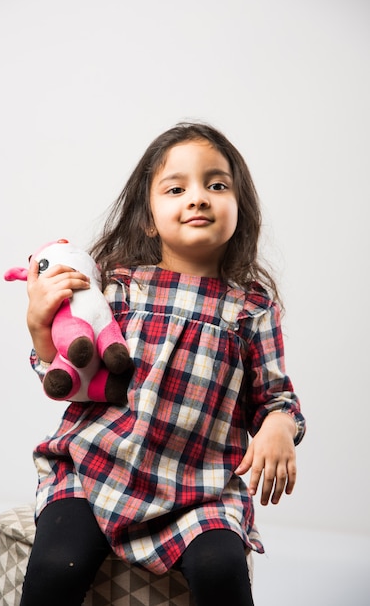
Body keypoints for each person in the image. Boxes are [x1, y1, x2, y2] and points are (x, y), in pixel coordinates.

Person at [20, 122, 306, 606]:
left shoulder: (251, 312)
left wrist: (278, 427)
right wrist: (38, 326)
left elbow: (276, 397)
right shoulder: (118, 291)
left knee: (222, 571)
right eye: (177, 188)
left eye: (216, 185)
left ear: (241, 209)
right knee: (55, 564)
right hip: (95, 471)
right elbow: (72, 375)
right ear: (149, 217)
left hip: (200, 491)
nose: (198, 198)